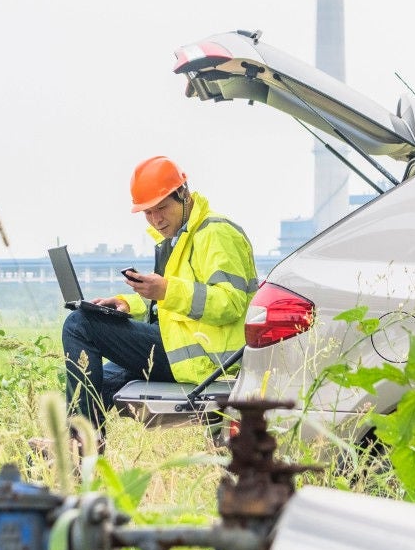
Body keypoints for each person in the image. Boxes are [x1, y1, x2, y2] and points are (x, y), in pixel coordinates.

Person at [45, 155, 258, 455]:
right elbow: (170, 305)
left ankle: (80, 444)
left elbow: (230, 302)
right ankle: (81, 457)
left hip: (206, 361)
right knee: (100, 385)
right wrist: (128, 303)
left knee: (80, 324)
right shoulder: (178, 238)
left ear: (184, 193)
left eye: (162, 208)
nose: (156, 220)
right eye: (148, 213)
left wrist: (166, 290)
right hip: (180, 351)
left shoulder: (216, 233)